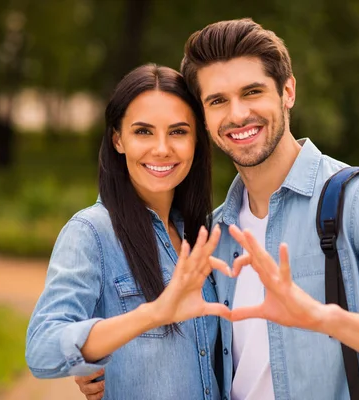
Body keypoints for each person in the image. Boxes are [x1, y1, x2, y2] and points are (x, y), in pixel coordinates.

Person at [78, 18, 359, 400]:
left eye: (252, 92)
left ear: (287, 92)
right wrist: (102, 366)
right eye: (218, 101)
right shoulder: (214, 234)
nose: (237, 114)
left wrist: (324, 319)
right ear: (203, 117)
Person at [25, 64, 233, 400]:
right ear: (118, 140)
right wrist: (151, 314)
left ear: (197, 139)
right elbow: (42, 349)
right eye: (143, 132)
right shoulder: (91, 233)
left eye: (178, 131)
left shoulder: (204, 236)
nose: (162, 148)